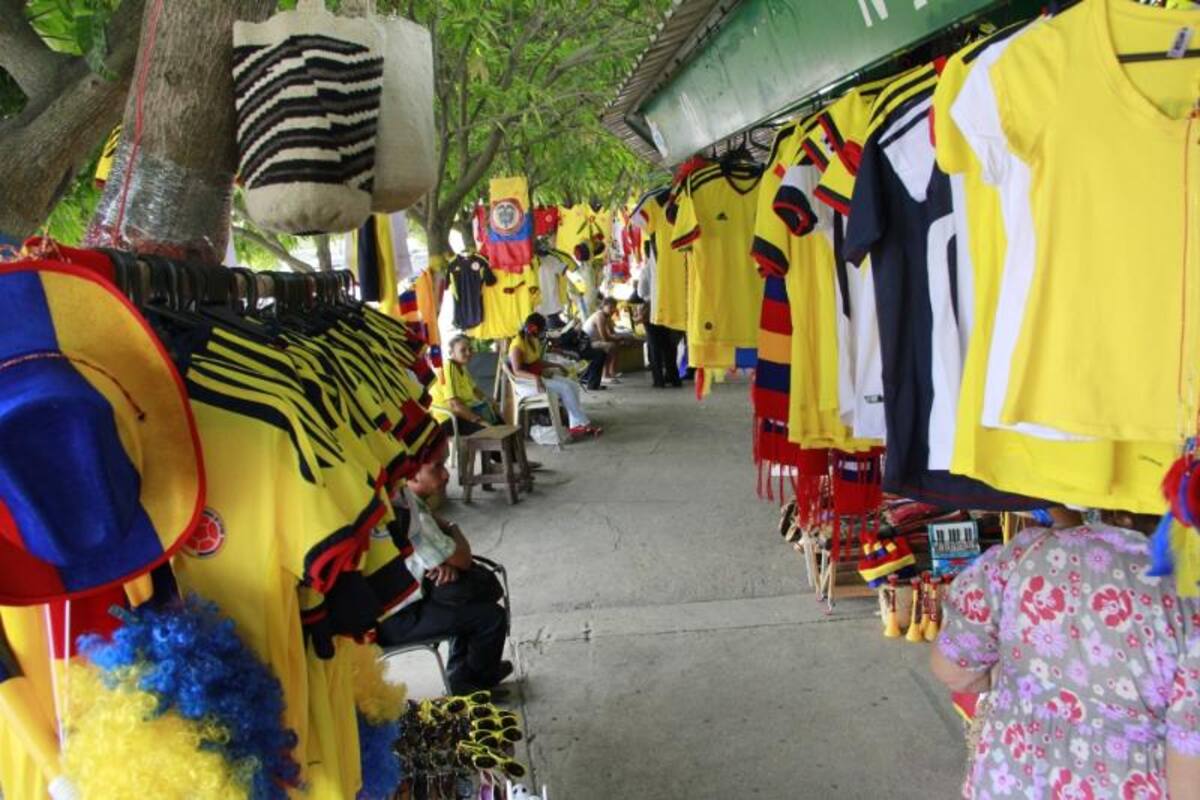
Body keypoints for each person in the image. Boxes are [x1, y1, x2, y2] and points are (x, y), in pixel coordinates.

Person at [931, 510, 1200, 799]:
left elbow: (953, 670)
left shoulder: (1023, 554)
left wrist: (1013, 679)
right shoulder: (1189, 596)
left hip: (1009, 784)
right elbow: (1191, 778)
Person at [376, 442, 513, 696]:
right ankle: (474, 683)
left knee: (460, 593)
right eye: (437, 467)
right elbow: (462, 558)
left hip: (401, 605)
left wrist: (442, 563)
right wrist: (452, 527)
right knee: (489, 616)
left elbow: (447, 559)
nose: (446, 474)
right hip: (398, 619)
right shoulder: (405, 508)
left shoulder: (401, 499)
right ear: (412, 473)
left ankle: (464, 673)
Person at [509, 313, 601, 438]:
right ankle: (584, 424)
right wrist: (535, 378)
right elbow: (517, 371)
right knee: (565, 388)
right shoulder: (517, 345)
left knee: (572, 385)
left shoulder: (532, 339)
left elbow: (537, 361)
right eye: (541, 329)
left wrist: (557, 366)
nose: (542, 333)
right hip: (526, 383)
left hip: (537, 376)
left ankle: (575, 425)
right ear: (534, 328)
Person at [429, 335, 500, 438]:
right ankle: (496, 452)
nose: (468, 353)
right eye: (463, 350)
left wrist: (491, 402)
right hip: (448, 419)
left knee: (498, 422)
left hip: (460, 414)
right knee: (489, 431)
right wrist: (479, 421)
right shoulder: (448, 368)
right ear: (451, 353)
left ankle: (507, 453)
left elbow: (475, 390)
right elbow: (454, 405)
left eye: (470, 349)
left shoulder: (461, 367)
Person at [583, 297, 637, 383]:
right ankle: (605, 375)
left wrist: (621, 339)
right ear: (603, 306)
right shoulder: (599, 316)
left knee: (616, 344)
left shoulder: (607, 317)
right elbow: (605, 337)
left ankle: (612, 372)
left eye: (613, 307)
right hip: (586, 344)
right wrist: (620, 338)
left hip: (595, 341)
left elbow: (612, 332)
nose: (612, 310)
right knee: (610, 346)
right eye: (610, 307)